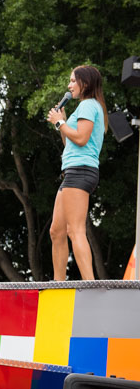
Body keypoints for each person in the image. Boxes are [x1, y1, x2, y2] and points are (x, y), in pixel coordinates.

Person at [46, 66, 108, 281]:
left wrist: (60, 122)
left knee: (75, 230)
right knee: (56, 231)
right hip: (72, 172)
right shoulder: (85, 107)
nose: (69, 85)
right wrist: (61, 122)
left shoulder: (89, 105)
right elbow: (70, 141)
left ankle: (90, 283)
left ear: (86, 84)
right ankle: (58, 283)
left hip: (81, 171)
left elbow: (81, 138)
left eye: (73, 81)